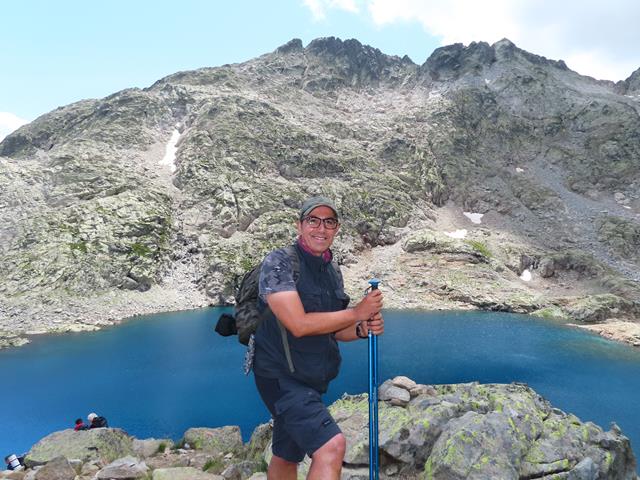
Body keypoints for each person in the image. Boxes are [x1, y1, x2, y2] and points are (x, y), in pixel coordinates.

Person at [253, 196, 384, 480]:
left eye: (329, 222)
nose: (321, 228)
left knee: (287, 454)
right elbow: (298, 324)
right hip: (280, 377)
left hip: (309, 377)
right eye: (313, 220)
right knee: (331, 446)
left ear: (336, 228)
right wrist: (356, 313)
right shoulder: (279, 263)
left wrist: (360, 329)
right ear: (299, 225)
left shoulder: (331, 270)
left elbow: (333, 329)